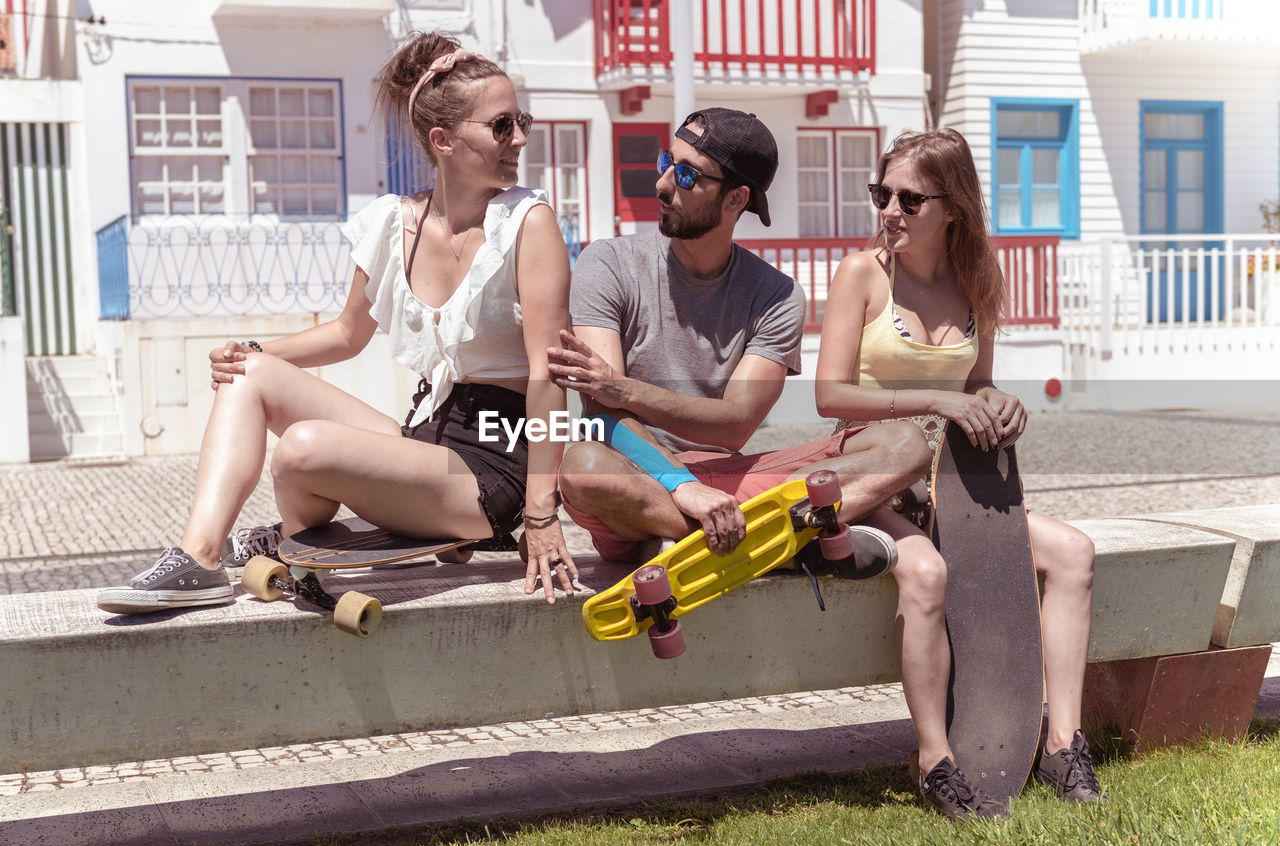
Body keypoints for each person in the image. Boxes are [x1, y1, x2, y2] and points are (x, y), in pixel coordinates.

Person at [97, 32, 577, 614]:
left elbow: (548, 376)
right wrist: (253, 348)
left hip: (491, 467)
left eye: (519, 120)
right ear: (443, 140)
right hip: (423, 441)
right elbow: (348, 334)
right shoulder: (392, 224)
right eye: (502, 125)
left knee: (302, 449)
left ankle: (300, 544)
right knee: (249, 374)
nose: (519, 138)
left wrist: (541, 514)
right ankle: (200, 557)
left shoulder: (528, 222)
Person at [814, 128, 1104, 819]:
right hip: (872, 475)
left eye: (909, 198)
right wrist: (935, 400)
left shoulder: (978, 282)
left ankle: (1063, 743)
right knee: (924, 572)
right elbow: (829, 396)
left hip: (951, 486)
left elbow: (980, 385)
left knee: (1073, 552)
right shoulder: (863, 275)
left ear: (954, 208)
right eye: (880, 193)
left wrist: (998, 404)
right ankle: (936, 759)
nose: (890, 210)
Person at [548, 108, 930, 573]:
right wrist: (681, 486)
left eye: (687, 174)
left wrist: (622, 387)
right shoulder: (607, 263)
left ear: (736, 200)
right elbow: (602, 411)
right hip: (640, 480)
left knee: (906, 444)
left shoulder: (777, 294)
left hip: (729, 485)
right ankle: (779, 545)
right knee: (584, 464)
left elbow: (733, 426)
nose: (663, 184)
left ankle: (692, 545)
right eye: (667, 161)